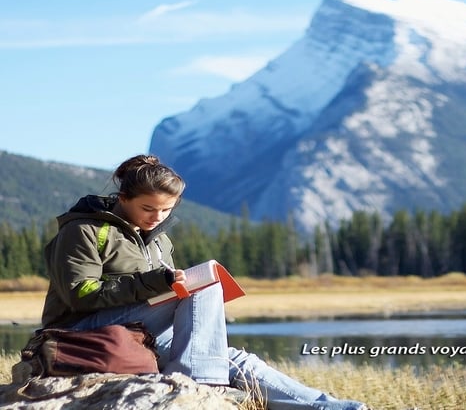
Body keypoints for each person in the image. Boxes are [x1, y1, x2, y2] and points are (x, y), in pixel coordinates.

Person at [40, 154, 369, 410]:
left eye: (166, 210)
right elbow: (79, 295)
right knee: (205, 286)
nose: (157, 217)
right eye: (148, 208)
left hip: (137, 328)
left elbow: (156, 288)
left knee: (237, 360)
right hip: (83, 329)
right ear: (122, 197)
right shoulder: (83, 230)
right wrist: (156, 283)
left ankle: (338, 407)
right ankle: (199, 386)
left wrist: (164, 284)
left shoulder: (158, 240)